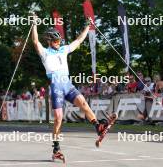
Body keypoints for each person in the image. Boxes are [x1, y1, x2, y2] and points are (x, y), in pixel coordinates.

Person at [31, 14, 110, 158]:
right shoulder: (45, 53)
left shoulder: (63, 49)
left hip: (67, 84)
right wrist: (34, 24)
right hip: (56, 86)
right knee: (58, 118)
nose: (59, 42)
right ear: (49, 41)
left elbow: (79, 40)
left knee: (84, 104)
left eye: (59, 40)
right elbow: (35, 42)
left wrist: (88, 25)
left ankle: (98, 126)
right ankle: (56, 149)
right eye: (56, 40)